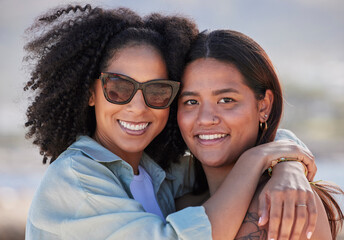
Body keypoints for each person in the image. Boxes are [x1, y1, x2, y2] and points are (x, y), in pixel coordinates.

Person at [23, 5, 318, 239]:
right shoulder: (77, 181)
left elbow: (237, 144)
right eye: (119, 88)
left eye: (157, 91)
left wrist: (286, 166)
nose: (137, 108)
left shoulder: (161, 172)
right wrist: (259, 160)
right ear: (91, 93)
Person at [176, 29, 344, 239]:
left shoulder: (285, 204)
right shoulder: (177, 207)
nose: (206, 118)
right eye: (191, 102)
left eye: (226, 100)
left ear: (264, 106)